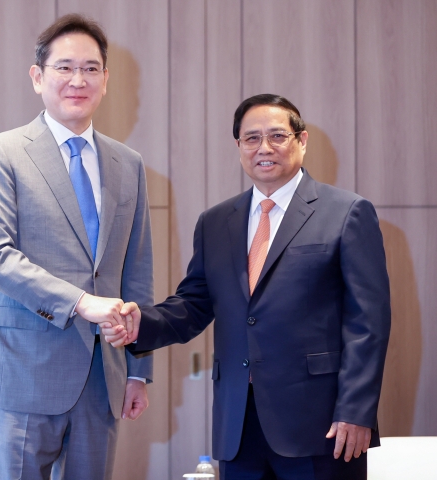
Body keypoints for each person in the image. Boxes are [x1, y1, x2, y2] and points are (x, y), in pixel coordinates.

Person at [104, 94, 391, 479]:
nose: (264, 148)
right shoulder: (216, 222)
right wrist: (142, 322)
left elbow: (368, 324)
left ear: (302, 141)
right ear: (238, 146)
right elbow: (194, 305)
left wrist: (356, 411)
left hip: (321, 426)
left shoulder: (347, 213)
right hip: (237, 425)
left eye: (277, 136)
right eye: (251, 138)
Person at [0, 13, 153, 480]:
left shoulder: (128, 164)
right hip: (22, 373)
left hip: (102, 380)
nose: (78, 80)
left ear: (106, 80)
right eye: (64, 67)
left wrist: (137, 369)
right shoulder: (0, 153)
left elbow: (137, 270)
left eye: (91, 69)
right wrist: (81, 303)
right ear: (37, 77)